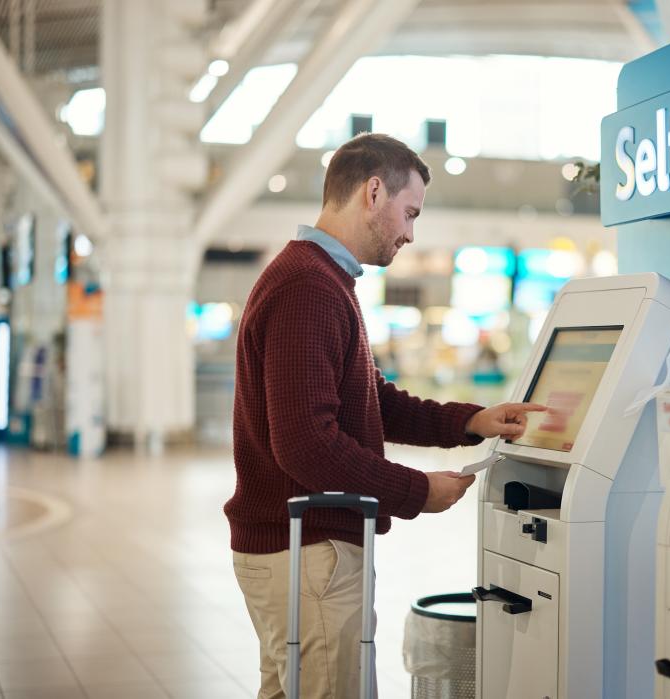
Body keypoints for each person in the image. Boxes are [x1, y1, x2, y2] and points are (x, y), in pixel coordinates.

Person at [224, 133, 545, 699]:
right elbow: (305, 444)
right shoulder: (309, 286)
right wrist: (416, 491)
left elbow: (376, 403)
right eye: (409, 212)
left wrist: (472, 421)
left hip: (301, 547)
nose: (410, 232)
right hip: (308, 550)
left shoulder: (323, 281)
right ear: (374, 192)